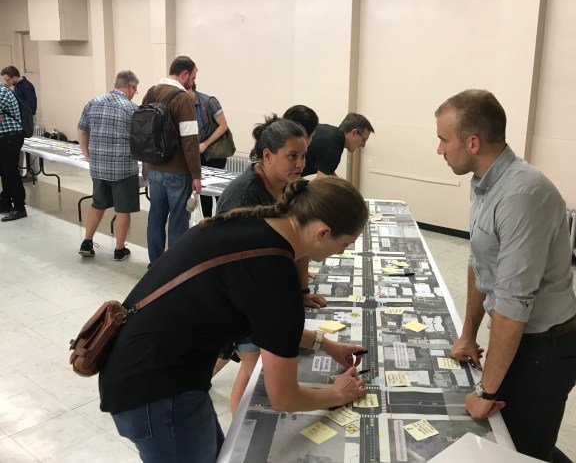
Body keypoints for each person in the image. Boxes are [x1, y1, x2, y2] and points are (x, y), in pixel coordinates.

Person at [99, 176, 369, 462]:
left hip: (141, 366)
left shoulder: (252, 227)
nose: (342, 252)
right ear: (323, 233)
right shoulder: (276, 275)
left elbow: (267, 320)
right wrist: (337, 394)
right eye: (345, 244)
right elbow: (284, 398)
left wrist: (326, 344)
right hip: (154, 390)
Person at [435, 89, 576, 462]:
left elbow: (513, 304)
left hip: (545, 350)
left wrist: (486, 392)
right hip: (522, 341)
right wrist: (468, 334)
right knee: (508, 438)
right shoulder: (483, 182)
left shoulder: (522, 194)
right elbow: (480, 264)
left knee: (521, 450)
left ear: (473, 142)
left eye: (443, 139)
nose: (440, 149)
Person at [215, 116, 328, 415]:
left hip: (260, 294)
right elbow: (232, 266)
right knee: (257, 373)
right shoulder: (243, 197)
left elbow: (299, 244)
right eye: (292, 156)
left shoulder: (290, 188)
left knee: (252, 367)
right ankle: (241, 437)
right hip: (239, 298)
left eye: (303, 156)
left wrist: (302, 290)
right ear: (267, 155)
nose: (300, 163)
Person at [76, 71, 141, 261]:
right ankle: (119, 250)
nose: (133, 93)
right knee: (123, 210)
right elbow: (139, 141)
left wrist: (87, 154)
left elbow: (82, 130)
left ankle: (87, 242)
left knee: (98, 204)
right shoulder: (132, 109)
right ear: (130, 87)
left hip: (98, 167)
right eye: (134, 90)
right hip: (123, 168)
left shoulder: (93, 102)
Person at [143, 56, 201, 266]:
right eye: (192, 78)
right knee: (178, 220)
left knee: (156, 217)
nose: (193, 83)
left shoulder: (150, 92)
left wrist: (145, 166)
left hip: (154, 169)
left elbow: (144, 135)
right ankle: (173, 268)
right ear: (184, 74)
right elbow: (190, 141)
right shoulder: (183, 99)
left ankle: (155, 265)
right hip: (178, 172)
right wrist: (196, 174)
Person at [189, 82, 231, 217]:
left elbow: (223, 125)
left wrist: (206, 144)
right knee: (204, 191)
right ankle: (207, 222)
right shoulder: (183, 105)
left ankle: (223, 221)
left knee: (219, 192)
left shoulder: (209, 101)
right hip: (198, 154)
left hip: (215, 154)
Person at [301, 112, 374, 177]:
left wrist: (345, 186)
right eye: (363, 140)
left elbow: (328, 172)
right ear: (354, 133)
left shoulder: (332, 135)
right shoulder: (334, 144)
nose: (363, 146)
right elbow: (322, 183)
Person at [1, 66, 38, 182]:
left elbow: (31, 107)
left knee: (31, 148)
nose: (6, 82)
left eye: (8, 80)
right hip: (19, 120)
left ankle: (33, 173)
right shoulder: (16, 87)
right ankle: (20, 171)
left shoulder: (27, 86)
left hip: (27, 120)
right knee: (19, 149)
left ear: (15, 77)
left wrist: (21, 117)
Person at [0, 82, 27, 221]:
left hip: (10, 138)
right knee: (4, 172)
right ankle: (5, 203)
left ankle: (19, 207)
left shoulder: (2, 92)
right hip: (4, 138)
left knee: (11, 173)